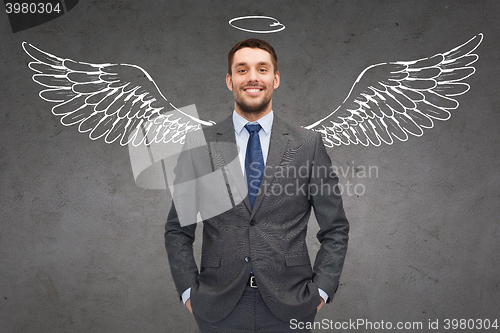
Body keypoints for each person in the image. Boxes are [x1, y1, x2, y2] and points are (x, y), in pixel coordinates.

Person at [165, 38, 349, 332]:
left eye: (262, 69)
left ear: (275, 79)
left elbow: (336, 228)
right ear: (230, 80)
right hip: (217, 307)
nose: (252, 77)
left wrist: (321, 291)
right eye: (242, 70)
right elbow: (178, 228)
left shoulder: (308, 145)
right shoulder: (199, 145)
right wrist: (189, 293)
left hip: (292, 305)